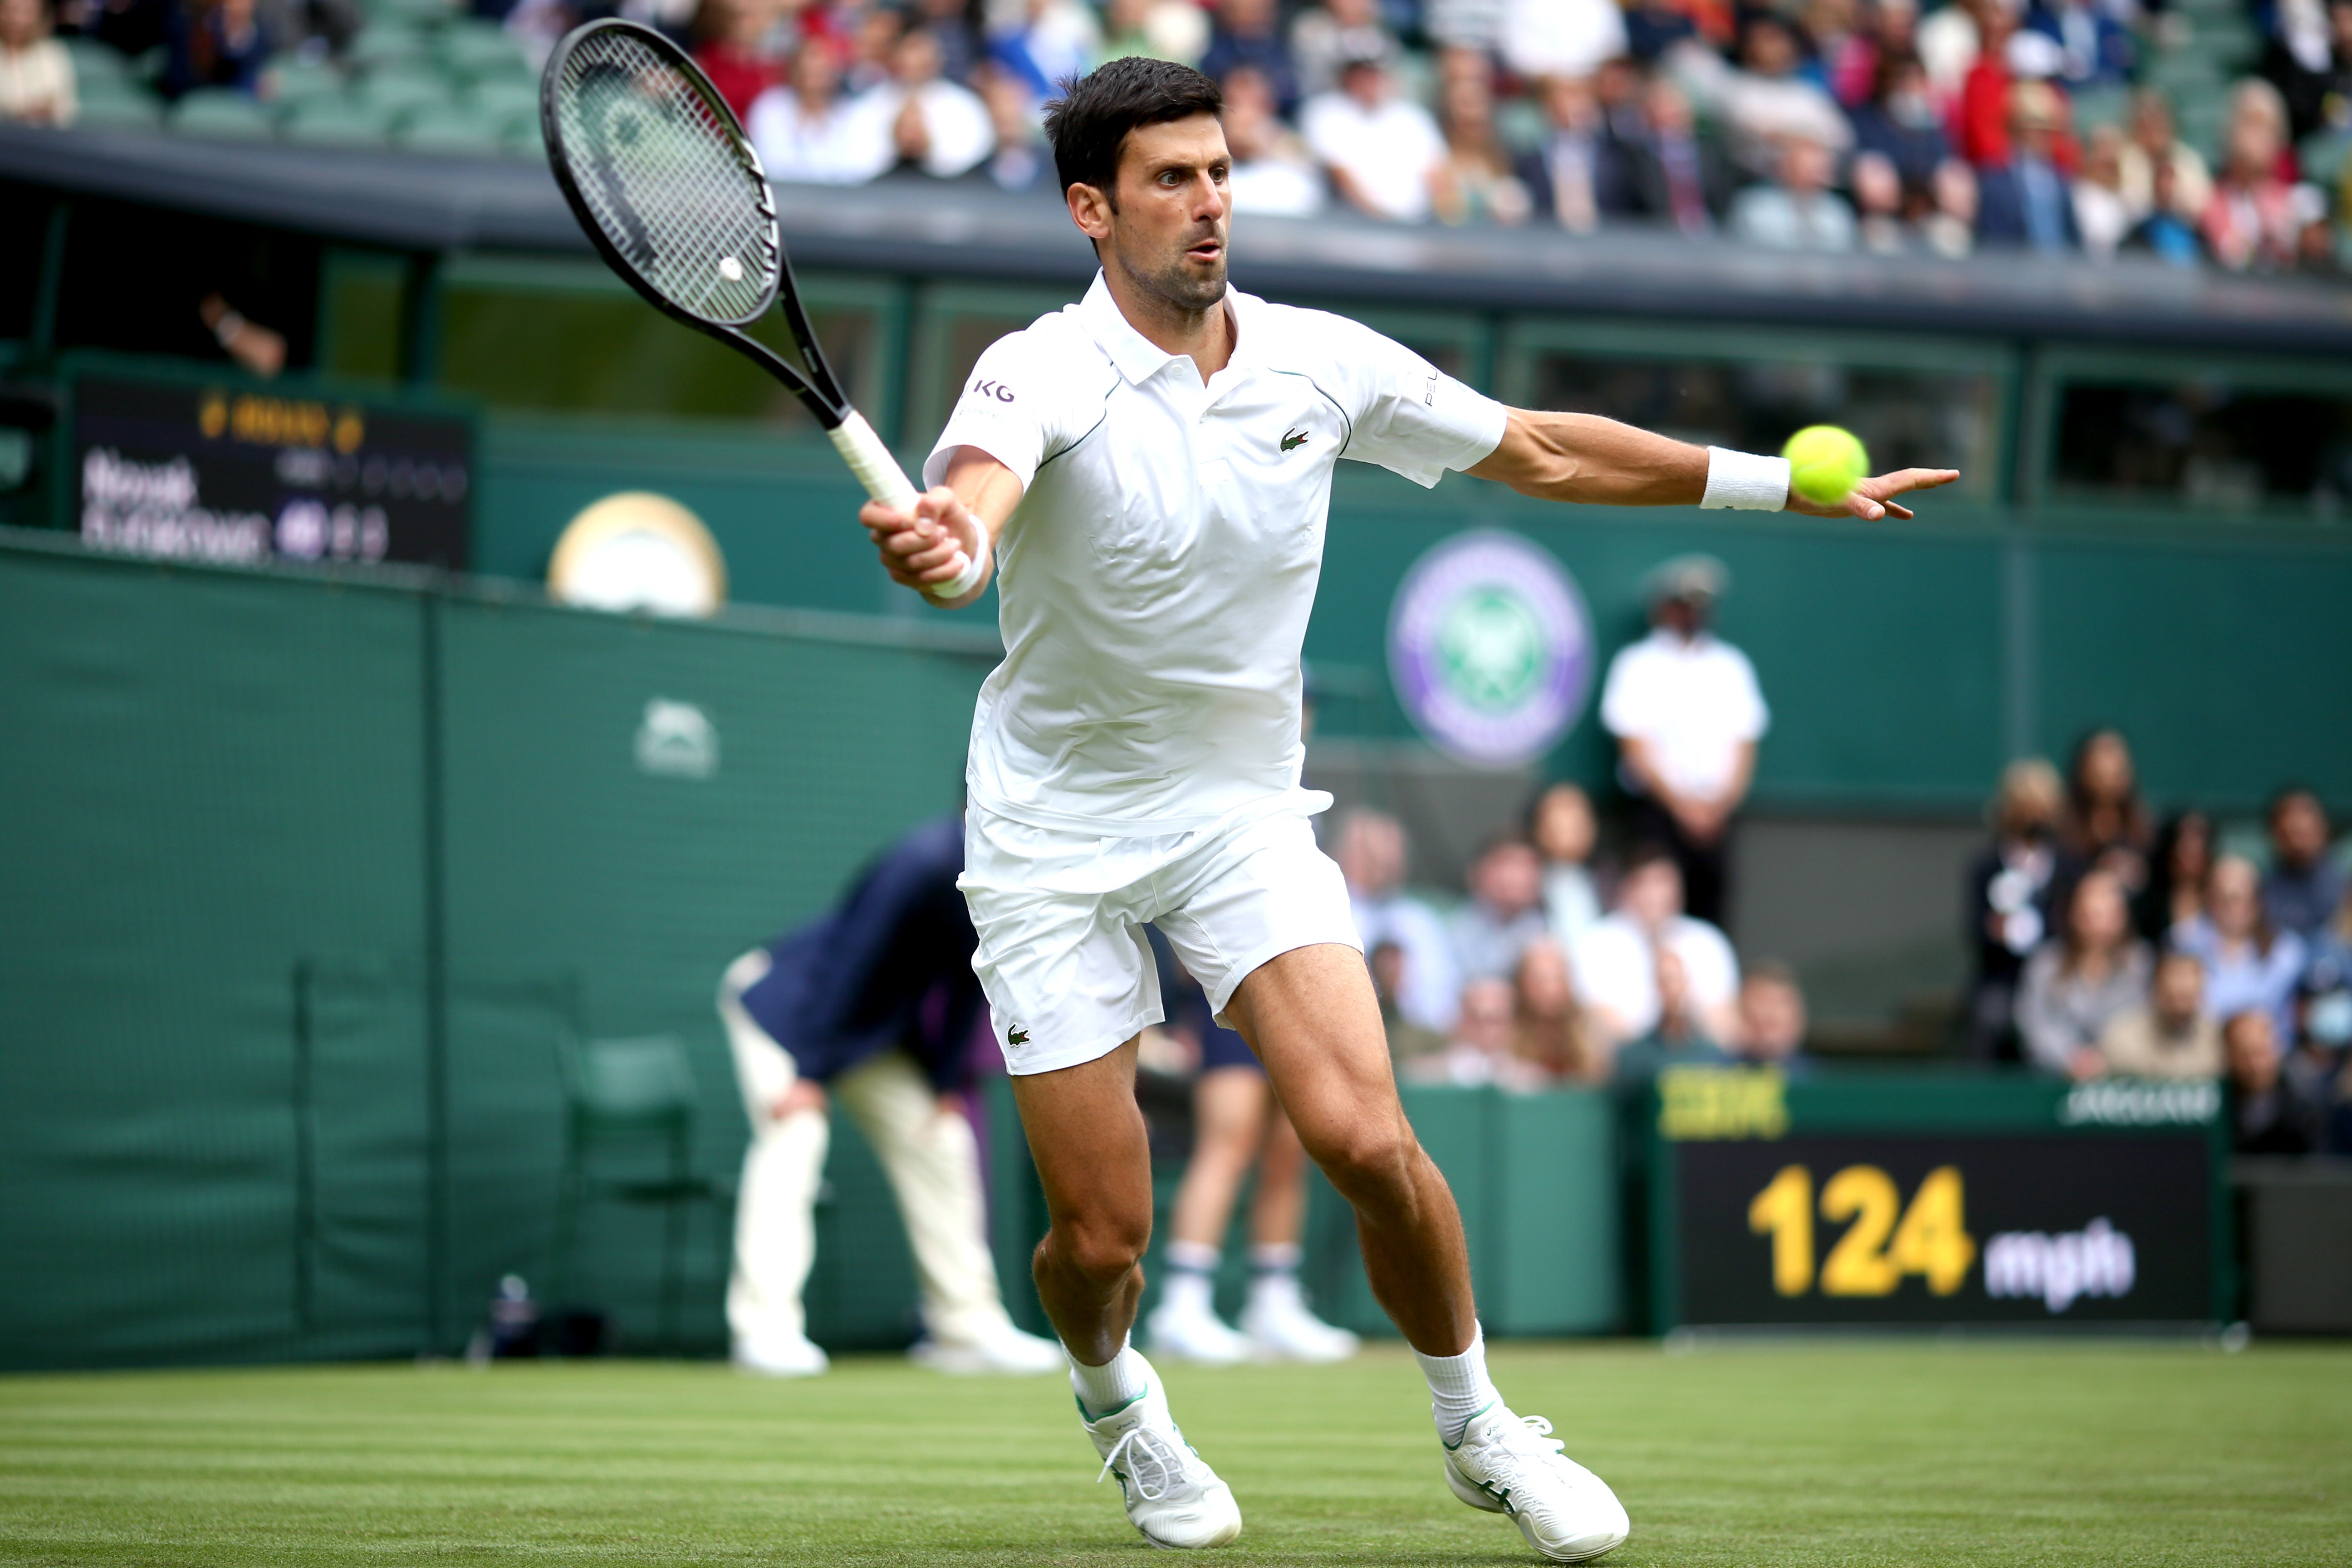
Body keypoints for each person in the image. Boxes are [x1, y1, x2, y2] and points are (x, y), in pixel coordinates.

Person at [856, 54, 1951, 1556]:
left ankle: (1480, 1424)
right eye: (1170, 180)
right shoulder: (1031, 369)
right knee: (1099, 1237)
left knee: (1367, 1137)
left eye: (1220, 170)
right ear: (1090, 210)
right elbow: (975, 499)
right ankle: (1115, 1396)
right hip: (1048, 838)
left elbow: (1541, 446)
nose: (1208, 203)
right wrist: (948, 546)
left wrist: (1777, 485)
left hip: (1239, 815)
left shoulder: (1320, 359)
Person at [716, 813, 1064, 1377]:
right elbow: (849, 964)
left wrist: (944, 1084)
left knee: (942, 1139)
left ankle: (965, 1330)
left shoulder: (1009, 879)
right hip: (786, 1009)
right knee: (795, 1137)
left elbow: (970, 982)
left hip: (868, 1033)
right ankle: (764, 1332)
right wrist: (808, 1075)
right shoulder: (922, 860)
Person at [1142, 933, 1361, 1364]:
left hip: (1304, 985)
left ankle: (1273, 1304)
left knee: (1289, 1152)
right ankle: (1182, 1308)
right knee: (1227, 1148)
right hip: (1235, 978)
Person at [1598, 553, 1767, 931]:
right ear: (1663, 607)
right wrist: (1681, 807)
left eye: (1699, 605)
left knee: (1712, 912)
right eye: (1683, 604)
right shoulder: (1636, 663)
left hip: (1717, 815)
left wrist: (1716, 808)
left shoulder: (1731, 665)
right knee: (1650, 908)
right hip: (1657, 813)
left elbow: (1745, 744)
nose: (1691, 613)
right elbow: (1635, 746)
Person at [1572, 844, 1742, 1049]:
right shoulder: (1596, 942)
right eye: (1646, 883)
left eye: (1663, 882)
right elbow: (1599, 1019)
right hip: (1626, 1066)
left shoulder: (1707, 941)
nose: (1655, 894)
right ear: (1626, 888)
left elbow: (1725, 1024)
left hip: (1695, 1065)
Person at [1965, 757, 2064, 1063]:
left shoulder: (2068, 867)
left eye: (2041, 805)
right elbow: (1973, 929)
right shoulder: (1986, 866)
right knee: (1988, 1016)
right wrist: (1995, 930)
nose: (2034, 814)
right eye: (2026, 804)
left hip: (2058, 980)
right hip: (2004, 980)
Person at [2015, 869, 2152, 1078]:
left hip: (2125, 1079)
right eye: (2089, 915)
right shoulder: (2045, 963)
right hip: (2053, 1080)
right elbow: (2032, 1022)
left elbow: (2143, 1021)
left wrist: (2107, 1058)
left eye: (2107, 915)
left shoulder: (2141, 963)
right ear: (2073, 914)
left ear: (2123, 916)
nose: (2097, 926)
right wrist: (2070, 1058)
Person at [1334, 808, 1459, 1034]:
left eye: (1393, 848)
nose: (1386, 859)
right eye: (1373, 849)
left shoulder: (1422, 921)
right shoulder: (1328, 913)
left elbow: (1444, 1001)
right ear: (1346, 853)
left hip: (1417, 1040)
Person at [2175, 856, 2308, 1044]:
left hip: (2265, 1055)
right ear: (2208, 899)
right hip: (2198, 1053)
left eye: (2238, 899)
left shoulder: (2287, 952)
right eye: (2221, 899)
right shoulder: (2183, 940)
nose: (2230, 908)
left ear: (2257, 902)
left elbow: (2293, 1021)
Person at [1301, 53, 1447, 222]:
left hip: (1419, 224)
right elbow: (1341, 177)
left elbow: (1438, 178)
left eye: (1374, 74)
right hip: (1354, 224)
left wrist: (1444, 226)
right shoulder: (1326, 111)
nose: (1369, 81)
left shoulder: (1414, 116)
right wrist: (1386, 224)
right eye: (1360, 74)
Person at [748, 42, 896, 184]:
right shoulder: (769, 108)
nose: (814, 82)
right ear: (793, 73)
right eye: (807, 72)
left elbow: (862, 171)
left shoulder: (858, 115)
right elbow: (770, 165)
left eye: (820, 73)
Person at [1612, 74, 1734, 235]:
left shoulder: (1711, 152)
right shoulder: (1632, 156)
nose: (1667, 114)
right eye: (1660, 106)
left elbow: (1723, 197)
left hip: (1712, 234)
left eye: (1674, 106)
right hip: (1658, 236)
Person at [2203, 78, 2303, 272]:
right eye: (2253, 124)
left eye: (2270, 127)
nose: (2262, 137)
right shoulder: (2210, 200)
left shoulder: (2293, 203)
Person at [1975, 79, 2080, 253]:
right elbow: (1992, 246)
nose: (2044, 136)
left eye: (2048, 128)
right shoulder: (1995, 184)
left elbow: (2073, 240)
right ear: (2017, 128)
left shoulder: (2061, 182)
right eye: (2036, 128)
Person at [880, 24, 995, 178]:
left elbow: (977, 156)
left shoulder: (965, 105)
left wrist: (928, 149)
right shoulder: (873, 103)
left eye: (923, 53)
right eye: (910, 50)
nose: (916, 61)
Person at [1607, 946, 1734, 1084]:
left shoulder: (1712, 1054)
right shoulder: (1634, 1056)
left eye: (1676, 979)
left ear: (1686, 983)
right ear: (1655, 986)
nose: (1672, 989)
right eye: (1665, 981)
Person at [2097, 948, 2223, 1079]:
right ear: (2156, 988)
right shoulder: (2122, 1035)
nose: (2181, 985)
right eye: (2173, 997)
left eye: (2187, 997)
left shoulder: (2215, 1040)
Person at [1218, 63, 1323, 215]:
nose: (1244, 115)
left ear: (1270, 108)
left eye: (1254, 104)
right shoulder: (1201, 168)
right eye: (1235, 104)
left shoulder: (1295, 178)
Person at [2056, 726, 2151, 890]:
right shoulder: (2064, 832)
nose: (2109, 773)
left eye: (2117, 770)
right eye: (2099, 768)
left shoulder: (2142, 832)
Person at [1729, 132, 1858, 250]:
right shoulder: (1756, 207)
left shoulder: (1837, 213)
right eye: (1805, 168)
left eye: (1818, 170)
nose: (1813, 176)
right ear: (1785, 169)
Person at [1451, 833, 1550, 986]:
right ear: (1477, 872)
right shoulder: (1453, 931)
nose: (1517, 876)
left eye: (1527, 865)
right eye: (1506, 864)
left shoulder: (1550, 928)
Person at [2225, 1008, 2322, 1154]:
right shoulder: (2219, 1108)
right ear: (2229, 1057)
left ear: (2277, 1049)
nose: (2255, 1066)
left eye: (2260, 1053)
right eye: (2244, 1056)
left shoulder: (2305, 1111)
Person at [2262, 788, 2345, 942]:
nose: (2297, 843)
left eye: (2303, 833)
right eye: (2290, 834)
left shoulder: (2345, 889)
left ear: (2324, 828)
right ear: (2275, 834)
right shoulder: (2263, 893)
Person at [1529, 782, 1602, 951]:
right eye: (1558, 822)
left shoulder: (1611, 881)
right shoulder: (1526, 884)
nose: (1568, 830)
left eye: (1578, 822)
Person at [163, 0, 270, 98]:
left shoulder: (258, 35)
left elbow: (247, 81)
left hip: (236, 102)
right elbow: (178, 80)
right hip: (190, 96)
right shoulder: (184, 25)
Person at [2136, 808, 2213, 944]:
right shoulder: (2148, 906)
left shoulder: (2217, 902)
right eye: (2185, 850)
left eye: (2197, 849)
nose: (2192, 854)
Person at [1730, 960, 1814, 1075]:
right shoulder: (1715, 1074)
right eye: (1755, 1023)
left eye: (1773, 1025)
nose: (1767, 1036)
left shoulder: (1817, 1078)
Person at [0, 0, 75, 126]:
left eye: (26, 11)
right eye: (9, 10)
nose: (16, 19)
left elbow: (67, 110)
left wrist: (48, 111)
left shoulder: (53, 54)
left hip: (42, 139)